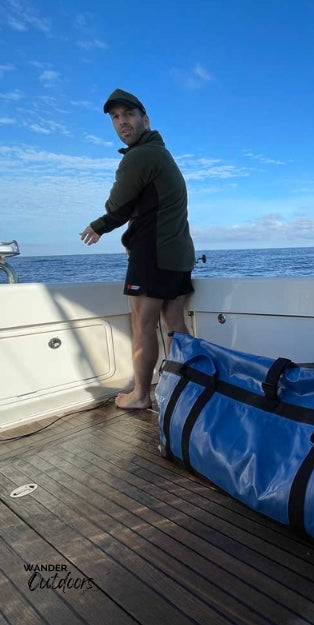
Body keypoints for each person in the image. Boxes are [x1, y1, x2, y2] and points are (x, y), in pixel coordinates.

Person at [80, 88, 195, 410]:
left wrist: (98, 226)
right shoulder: (161, 153)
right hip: (178, 254)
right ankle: (187, 390)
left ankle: (141, 395)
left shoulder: (141, 156)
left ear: (145, 119)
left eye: (128, 115)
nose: (122, 122)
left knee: (142, 324)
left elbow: (118, 204)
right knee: (175, 324)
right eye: (115, 117)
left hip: (153, 253)